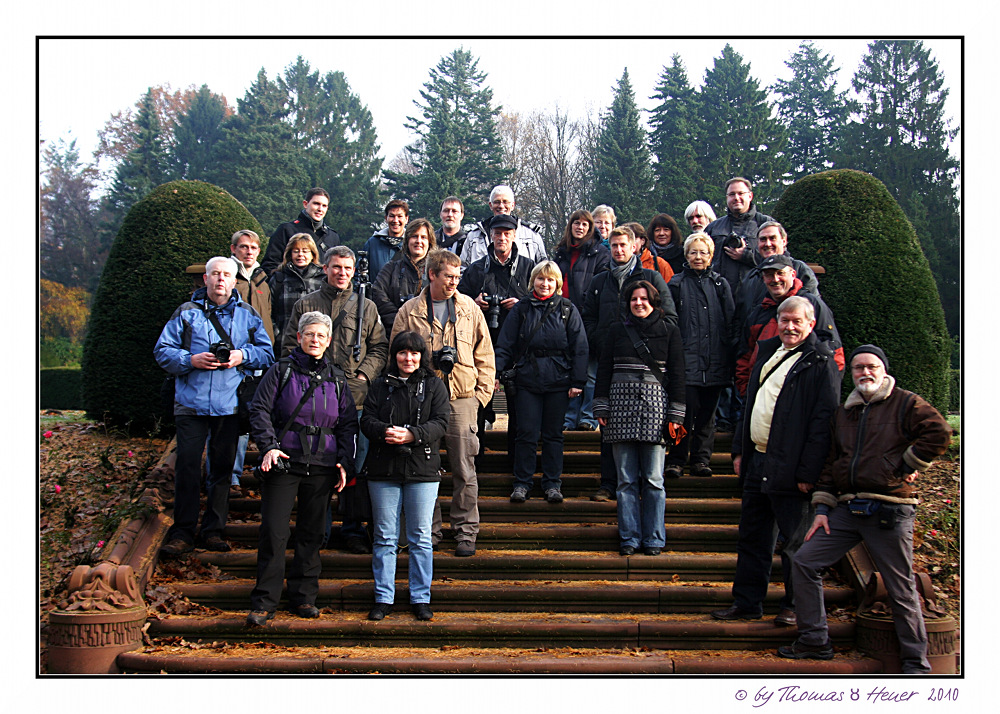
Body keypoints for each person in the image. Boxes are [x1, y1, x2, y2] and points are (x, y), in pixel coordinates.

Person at [778, 345, 952, 669]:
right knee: (804, 561)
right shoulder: (845, 412)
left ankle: (916, 663)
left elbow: (939, 432)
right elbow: (832, 463)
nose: (865, 373)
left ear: (883, 369)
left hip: (889, 509)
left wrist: (907, 462)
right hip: (847, 510)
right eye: (858, 368)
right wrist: (820, 510)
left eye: (871, 366)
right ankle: (814, 640)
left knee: (899, 586)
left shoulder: (905, 402)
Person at [712, 296, 842, 627]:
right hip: (757, 460)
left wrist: (808, 473)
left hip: (793, 467)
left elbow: (823, 423)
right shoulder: (768, 351)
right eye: (784, 320)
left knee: (795, 543)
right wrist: (740, 450)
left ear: (811, 323)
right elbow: (751, 403)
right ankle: (747, 602)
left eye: (797, 321)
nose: (789, 326)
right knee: (752, 537)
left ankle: (796, 606)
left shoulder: (820, 361)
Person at [154, 257, 275, 556]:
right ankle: (182, 532)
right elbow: (162, 350)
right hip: (190, 404)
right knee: (187, 468)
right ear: (205, 279)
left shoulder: (248, 315)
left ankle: (213, 530)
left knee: (221, 471)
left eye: (226, 275)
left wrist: (242, 356)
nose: (221, 280)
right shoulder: (185, 313)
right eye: (215, 274)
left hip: (229, 405)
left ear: (235, 282)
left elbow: (267, 354)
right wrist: (189, 360)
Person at [245, 312, 357, 626]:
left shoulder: (336, 377)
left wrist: (345, 462)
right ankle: (265, 601)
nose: (315, 340)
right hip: (284, 463)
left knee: (311, 534)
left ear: (329, 341)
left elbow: (348, 424)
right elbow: (260, 409)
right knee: (274, 532)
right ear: (299, 337)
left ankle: (304, 597)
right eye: (310, 334)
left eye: (321, 336)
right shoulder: (280, 371)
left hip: (322, 465)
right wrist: (268, 445)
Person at [281, 246, 389, 553]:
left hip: (355, 401)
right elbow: (289, 345)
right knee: (319, 469)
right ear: (325, 268)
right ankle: (319, 530)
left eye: (348, 268)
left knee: (355, 466)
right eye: (336, 267)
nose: (342, 273)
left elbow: (380, 347)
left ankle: (353, 528)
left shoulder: (366, 306)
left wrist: (364, 376)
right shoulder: (306, 304)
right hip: (313, 404)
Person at [391, 249, 495, 557]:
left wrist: (480, 397)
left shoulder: (469, 309)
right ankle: (429, 531)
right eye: (448, 276)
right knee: (424, 470)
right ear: (432, 275)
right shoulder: (409, 312)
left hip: (463, 399)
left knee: (465, 468)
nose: (454, 282)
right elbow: (394, 355)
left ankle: (465, 532)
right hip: (421, 401)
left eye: (458, 276)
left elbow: (485, 356)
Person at [582, 226, 678, 502]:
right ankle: (609, 483)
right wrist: (602, 340)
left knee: (647, 430)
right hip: (611, 364)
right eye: (614, 246)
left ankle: (642, 485)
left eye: (623, 245)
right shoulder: (600, 281)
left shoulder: (651, 278)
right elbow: (587, 317)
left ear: (634, 246)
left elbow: (670, 318)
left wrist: (649, 340)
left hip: (648, 367)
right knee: (608, 424)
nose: (619, 250)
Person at [362, 331, 451, 622]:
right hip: (383, 468)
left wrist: (413, 434)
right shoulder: (379, 385)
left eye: (413, 353)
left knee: (420, 538)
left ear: (421, 355)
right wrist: (384, 432)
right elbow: (367, 420)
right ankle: (383, 597)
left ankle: (420, 597)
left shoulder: (435, 385)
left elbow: (441, 422)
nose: (408, 358)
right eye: (402, 352)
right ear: (394, 355)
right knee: (385, 537)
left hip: (422, 469)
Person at [594, 280, 686, 556]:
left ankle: (655, 538)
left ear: (654, 301)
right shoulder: (616, 331)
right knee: (625, 481)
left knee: (654, 480)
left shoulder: (670, 331)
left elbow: (679, 376)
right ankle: (629, 537)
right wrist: (601, 406)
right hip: (620, 409)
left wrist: (677, 415)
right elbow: (604, 370)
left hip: (656, 411)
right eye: (634, 299)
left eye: (644, 298)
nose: (638, 303)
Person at [494, 260, 588, 504]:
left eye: (550, 279)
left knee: (553, 434)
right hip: (527, 379)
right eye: (540, 278)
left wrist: (578, 380)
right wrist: (496, 372)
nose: (545, 284)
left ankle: (552, 483)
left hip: (559, 380)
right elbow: (505, 344)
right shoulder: (521, 309)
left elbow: (580, 347)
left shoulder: (568, 309)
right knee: (525, 432)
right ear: (533, 280)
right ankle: (522, 482)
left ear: (557, 283)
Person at [458, 213, 534, 462]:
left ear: (514, 236)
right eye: (497, 233)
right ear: (490, 235)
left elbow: (541, 302)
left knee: (519, 409)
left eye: (507, 233)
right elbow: (457, 300)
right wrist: (474, 303)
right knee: (480, 405)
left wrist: (521, 304)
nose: (502, 237)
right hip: (481, 345)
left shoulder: (527, 268)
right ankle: (475, 463)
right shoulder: (476, 269)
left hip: (519, 347)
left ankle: (516, 465)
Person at [666, 233, 737, 478]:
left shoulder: (720, 284)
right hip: (686, 362)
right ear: (686, 255)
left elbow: (730, 322)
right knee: (682, 414)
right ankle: (676, 459)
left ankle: (701, 460)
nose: (698, 257)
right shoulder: (675, 284)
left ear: (711, 255)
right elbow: (670, 324)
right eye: (693, 252)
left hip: (715, 361)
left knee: (708, 416)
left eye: (703, 252)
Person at [736, 254, 843, 397]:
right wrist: (747, 394)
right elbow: (744, 357)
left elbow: (834, 354)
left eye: (780, 273)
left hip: (802, 396)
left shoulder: (812, 305)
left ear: (793, 274)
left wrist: (825, 396)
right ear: (763, 279)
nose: (775, 279)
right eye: (769, 275)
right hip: (763, 397)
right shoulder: (758, 313)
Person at [553, 210, 610, 431]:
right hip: (561, 317)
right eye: (576, 223)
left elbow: (600, 287)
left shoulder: (599, 253)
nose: (580, 227)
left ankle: (588, 416)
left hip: (587, 318)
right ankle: (569, 417)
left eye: (585, 224)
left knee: (590, 372)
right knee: (568, 370)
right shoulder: (561, 252)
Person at [703, 177, 775, 296]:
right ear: (727, 198)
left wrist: (746, 256)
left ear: (750, 196)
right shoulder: (714, 228)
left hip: (755, 296)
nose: (736, 198)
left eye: (741, 193)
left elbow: (780, 258)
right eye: (732, 194)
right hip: (719, 296)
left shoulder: (765, 224)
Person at [738, 221, 819, 317]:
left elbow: (813, 310)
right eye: (763, 239)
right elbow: (740, 315)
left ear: (784, 241)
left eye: (773, 238)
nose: (767, 244)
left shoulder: (800, 270)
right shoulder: (751, 276)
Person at [372, 218, 436, 331]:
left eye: (424, 237)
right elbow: (379, 295)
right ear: (407, 240)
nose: (418, 241)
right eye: (414, 236)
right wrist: (400, 321)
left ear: (430, 241)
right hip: (394, 331)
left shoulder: (437, 270)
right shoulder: (390, 268)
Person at [460, 185, 547, 267]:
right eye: (497, 202)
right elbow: (462, 268)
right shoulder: (473, 236)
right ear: (490, 205)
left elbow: (544, 268)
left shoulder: (531, 235)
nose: (501, 206)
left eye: (505, 202)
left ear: (513, 205)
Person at [261, 188, 339, 276]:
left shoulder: (332, 236)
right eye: (316, 204)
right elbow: (270, 265)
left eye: (324, 206)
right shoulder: (286, 230)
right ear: (305, 204)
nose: (320, 209)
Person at [267, 234, 326, 337]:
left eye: (305, 251)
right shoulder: (278, 278)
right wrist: (275, 333)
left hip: (315, 342)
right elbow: (268, 311)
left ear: (313, 254)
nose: (300, 254)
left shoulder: (323, 279)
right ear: (290, 254)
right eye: (296, 251)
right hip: (283, 343)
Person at [363, 199, 410, 279]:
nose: (395, 220)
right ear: (386, 218)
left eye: (399, 216)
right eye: (392, 216)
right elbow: (360, 272)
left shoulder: (412, 244)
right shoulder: (372, 243)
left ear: (406, 219)